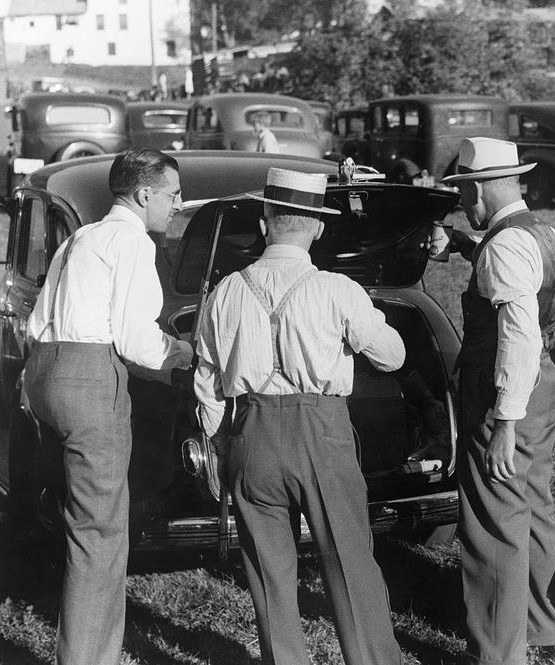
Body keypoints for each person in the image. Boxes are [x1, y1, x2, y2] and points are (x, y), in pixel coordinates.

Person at [193, 167, 405, 665]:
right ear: (319, 227)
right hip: (322, 433)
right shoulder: (337, 288)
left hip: (250, 434)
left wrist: (218, 443)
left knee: (269, 572)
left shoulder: (224, 291)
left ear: (265, 224)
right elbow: (392, 357)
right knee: (349, 560)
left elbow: (206, 379)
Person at [23, 147, 195, 665]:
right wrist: (185, 352)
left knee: (77, 518)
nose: (178, 204)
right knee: (100, 532)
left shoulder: (83, 236)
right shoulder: (132, 242)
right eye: (172, 194)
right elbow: (138, 344)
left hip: (44, 373)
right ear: (144, 195)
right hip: (90, 379)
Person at [440, 137, 555, 665]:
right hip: (541, 384)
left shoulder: (504, 246)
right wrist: (465, 246)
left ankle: (497, 653)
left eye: (464, 192)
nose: (463, 204)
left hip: (505, 390)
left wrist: (503, 422)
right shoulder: (539, 231)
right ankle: (541, 631)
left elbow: (516, 334)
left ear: (480, 186)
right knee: (534, 509)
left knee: (493, 521)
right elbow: (520, 288)